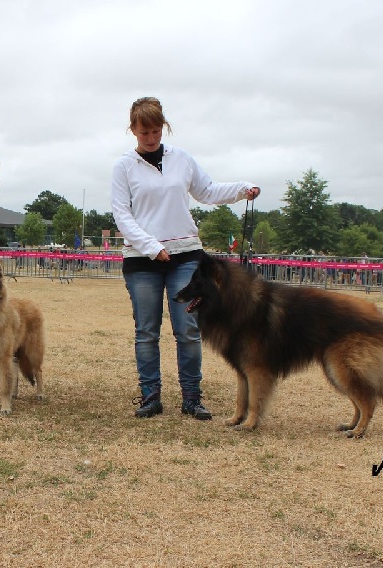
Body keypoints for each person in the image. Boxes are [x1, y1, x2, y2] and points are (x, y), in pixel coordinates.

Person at [111, 97, 260, 419]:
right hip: (142, 261)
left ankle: (192, 397)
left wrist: (242, 189)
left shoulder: (182, 159)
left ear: (164, 127)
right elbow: (122, 215)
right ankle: (150, 395)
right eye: (144, 132)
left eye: (156, 130)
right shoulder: (124, 166)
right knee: (147, 331)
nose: (151, 137)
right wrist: (151, 246)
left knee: (189, 329)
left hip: (185, 257)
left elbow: (207, 191)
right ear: (133, 130)